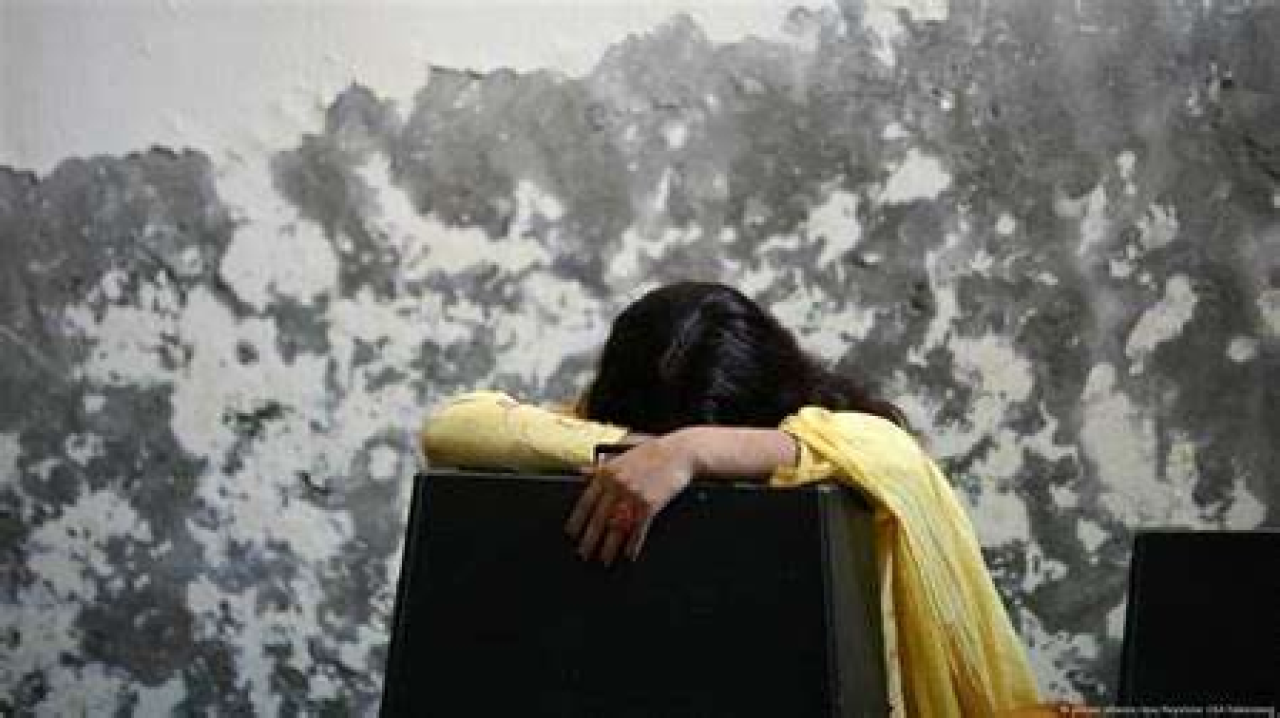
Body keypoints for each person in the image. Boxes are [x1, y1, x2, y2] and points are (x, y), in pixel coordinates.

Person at [422, 281, 1041, 716]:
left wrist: (696, 452)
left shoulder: (844, 444)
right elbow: (453, 427)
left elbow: (889, 452)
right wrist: (645, 451)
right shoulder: (598, 441)